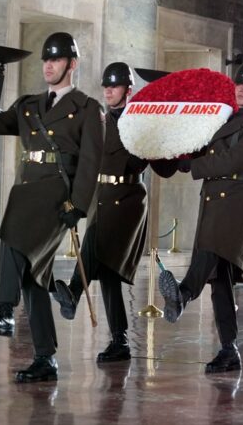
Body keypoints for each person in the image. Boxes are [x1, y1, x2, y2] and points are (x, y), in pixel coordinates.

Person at [0, 32, 104, 382]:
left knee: (12, 233)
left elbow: (91, 161)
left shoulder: (87, 109)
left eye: (56, 59)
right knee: (33, 276)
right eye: (46, 60)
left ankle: (4, 309)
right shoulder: (29, 105)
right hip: (27, 188)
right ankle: (45, 358)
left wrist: (79, 206)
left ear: (72, 64)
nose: (48, 66)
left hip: (58, 193)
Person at [157, 60, 243, 373]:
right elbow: (201, 148)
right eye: (238, 84)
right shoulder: (223, 119)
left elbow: (233, 160)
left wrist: (193, 166)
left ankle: (183, 294)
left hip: (236, 201)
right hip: (213, 198)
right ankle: (229, 349)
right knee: (220, 280)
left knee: (210, 251)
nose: (241, 90)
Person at [52, 62, 149, 362]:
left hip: (128, 197)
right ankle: (120, 342)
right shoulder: (99, 121)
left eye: (114, 86)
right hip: (103, 195)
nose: (107, 90)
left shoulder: (138, 122)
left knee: (95, 242)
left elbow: (138, 162)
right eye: (105, 85)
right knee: (107, 272)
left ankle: (73, 292)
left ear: (128, 90)